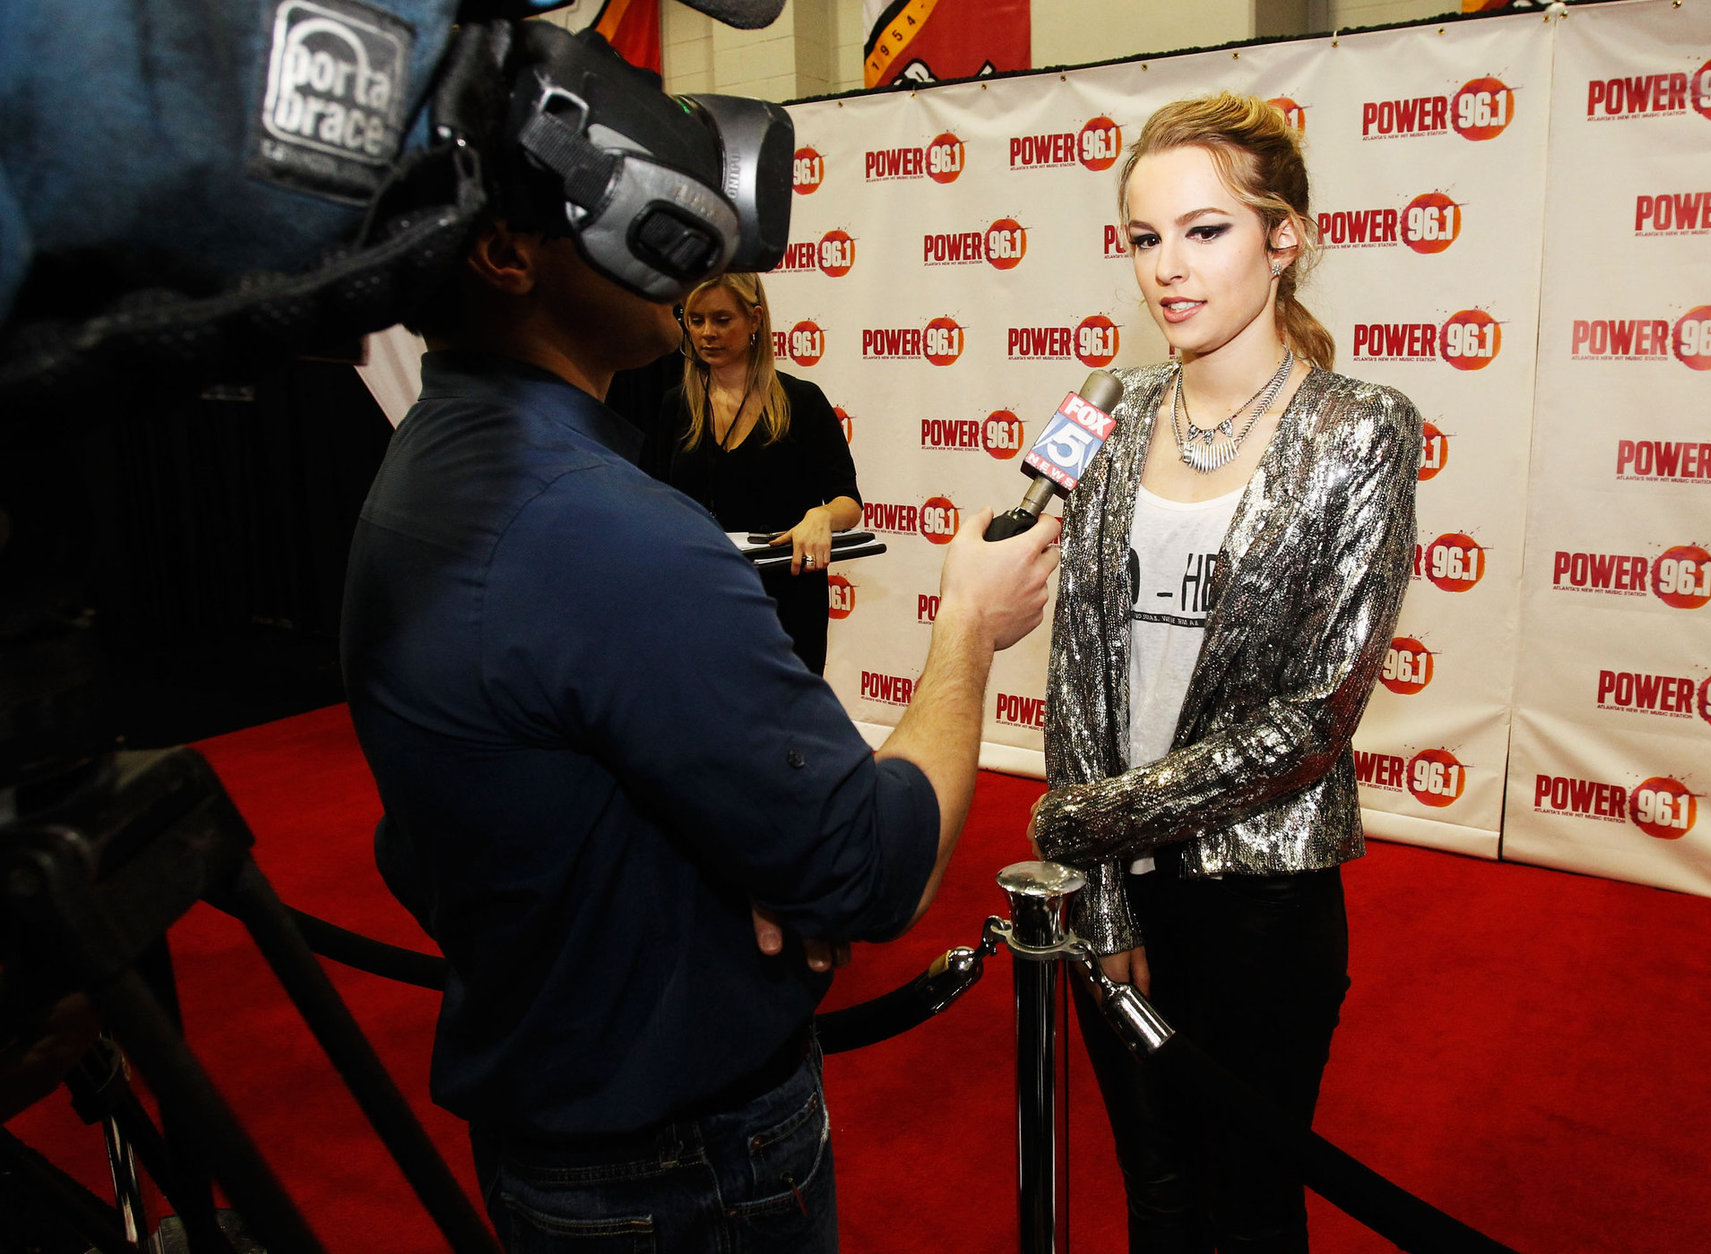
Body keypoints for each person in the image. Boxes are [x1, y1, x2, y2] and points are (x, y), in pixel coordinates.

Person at [339, 33, 1062, 1253]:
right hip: (681, 1172)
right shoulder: (601, 531)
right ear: (507, 253)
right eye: (615, 190)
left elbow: (437, 845)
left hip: (557, 1131)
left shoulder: (428, 467)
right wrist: (967, 630)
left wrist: (725, 873)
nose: (690, 247)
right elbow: (877, 871)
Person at [1026, 92, 1421, 1252]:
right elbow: (1076, 667)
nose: (1167, 269)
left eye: (1205, 232)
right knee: (1153, 1188)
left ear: (1283, 236)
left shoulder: (1361, 426)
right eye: (1145, 239)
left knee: (1247, 1201)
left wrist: (1083, 821)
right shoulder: (1106, 412)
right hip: (1114, 883)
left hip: (1261, 895)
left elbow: (1318, 714)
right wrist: (1098, 884)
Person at [649, 273, 861, 673]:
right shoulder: (674, 406)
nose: (707, 333)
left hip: (786, 601)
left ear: (755, 320)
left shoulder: (802, 401)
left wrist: (821, 516)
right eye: (695, 320)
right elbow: (654, 501)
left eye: (722, 319)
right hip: (698, 594)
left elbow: (848, 502)